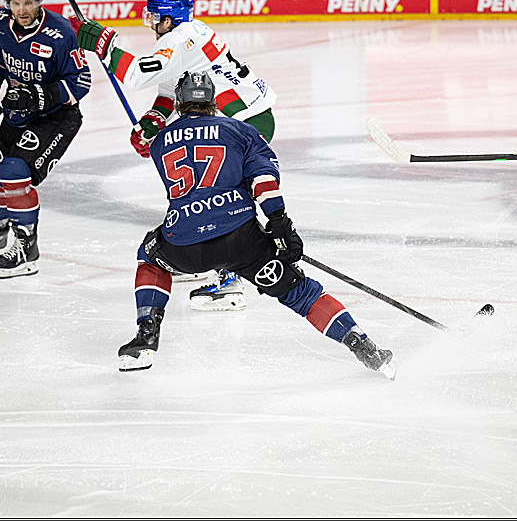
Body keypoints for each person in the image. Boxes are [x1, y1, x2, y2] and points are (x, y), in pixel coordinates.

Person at [115, 70, 395, 378]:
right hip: (242, 241)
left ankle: (147, 334)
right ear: (212, 101)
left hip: (184, 242)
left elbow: (149, 147)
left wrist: (148, 129)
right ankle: (364, 347)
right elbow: (263, 181)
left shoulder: (161, 142)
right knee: (301, 293)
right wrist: (279, 224)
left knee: (150, 258)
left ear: (179, 103)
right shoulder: (242, 131)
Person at [75, 0, 277, 313]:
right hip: (244, 118)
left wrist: (106, 43)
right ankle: (215, 257)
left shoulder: (179, 38)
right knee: (209, 189)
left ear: (171, 19)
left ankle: (228, 278)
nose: (152, 23)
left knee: (216, 193)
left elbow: (137, 75)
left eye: (156, 17)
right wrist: (152, 123)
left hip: (244, 123)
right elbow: (170, 92)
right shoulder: (187, 36)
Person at [0, 0, 91, 278]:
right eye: (16, 3)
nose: (22, 10)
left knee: (14, 172)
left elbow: (81, 82)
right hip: (18, 112)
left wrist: (37, 96)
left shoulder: (60, 33)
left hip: (57, 117)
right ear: (8, 2)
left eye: (29, 2)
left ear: (39, 0)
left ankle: (26, 249)